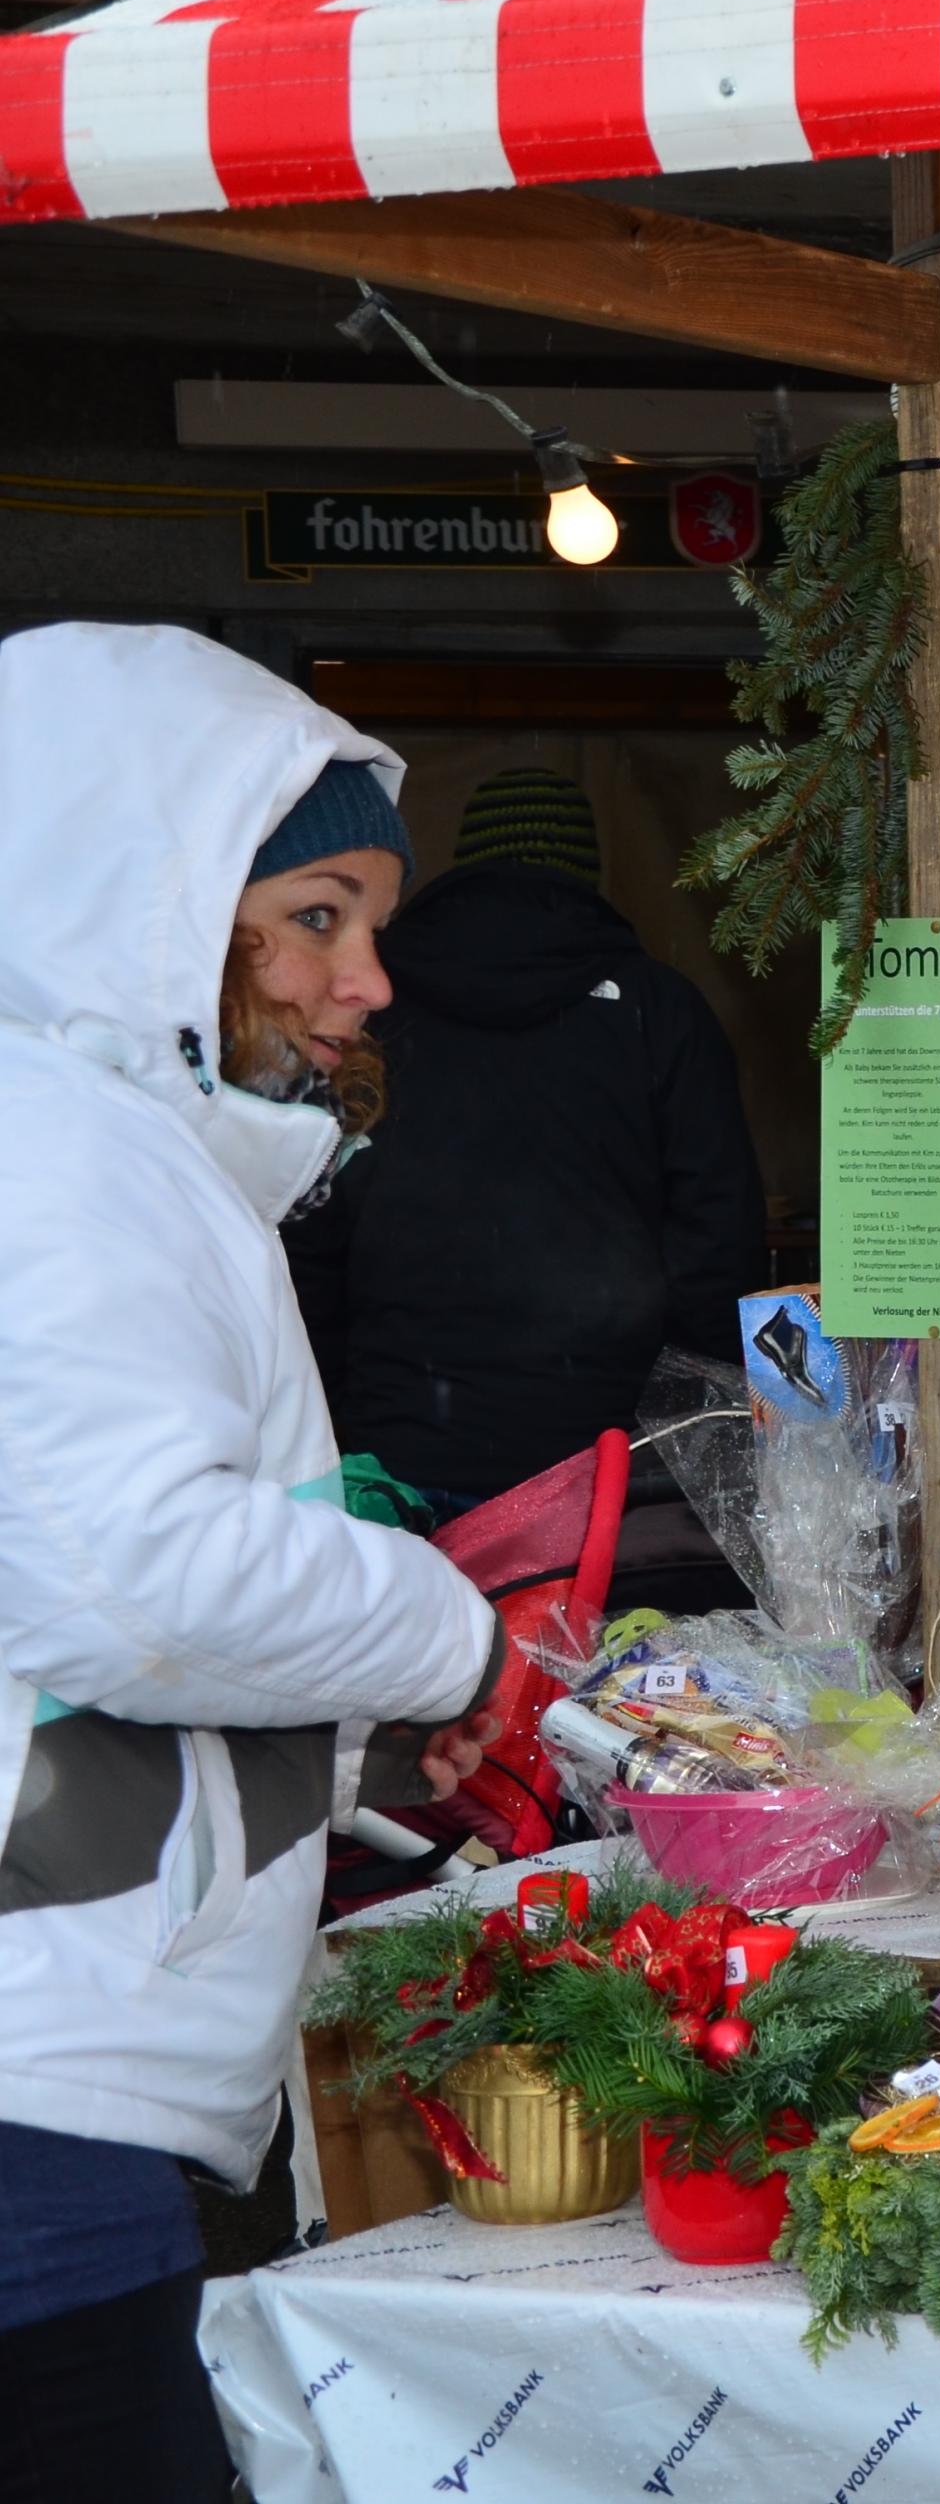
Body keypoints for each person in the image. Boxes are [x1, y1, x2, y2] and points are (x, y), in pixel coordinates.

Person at [0, 624, 505, 2498]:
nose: (367, 979)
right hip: (34, 2097)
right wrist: (447, 1638)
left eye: (369, 923)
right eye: (312, 917)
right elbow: (127, 1579)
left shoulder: (106, 1145)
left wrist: (364, 1740)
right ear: (141, 909)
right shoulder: (56, 1149)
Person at [286, 765, 767, 1509]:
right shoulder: (658, 1009)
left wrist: (335, 1419)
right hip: (609, 1466)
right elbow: (717, 1242)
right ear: (586, 872)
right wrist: (697, 1431)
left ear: (462, 861)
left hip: (399, 1448)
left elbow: (308, 1229)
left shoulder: (363, 1008)